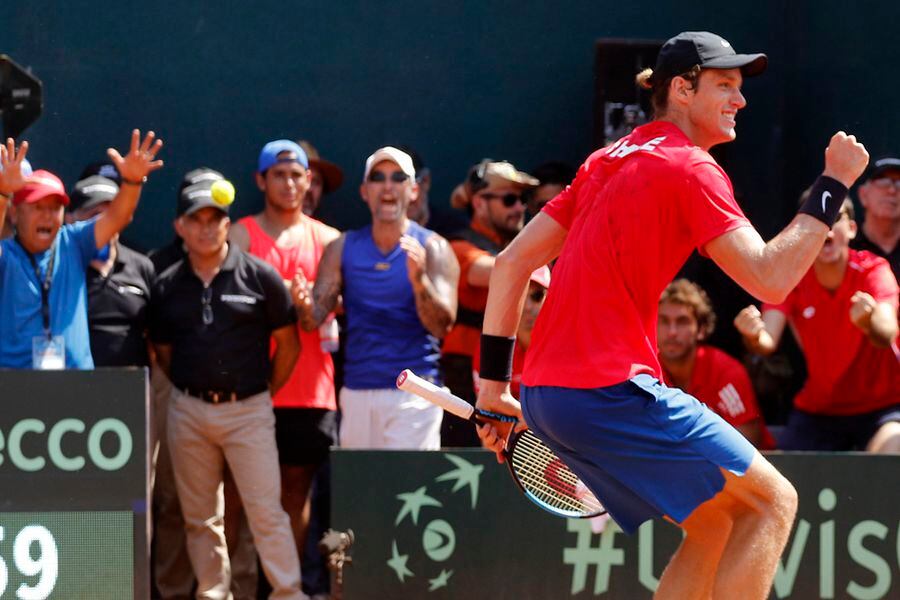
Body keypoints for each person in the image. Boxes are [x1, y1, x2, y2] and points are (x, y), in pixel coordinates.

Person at [474, 31, 869, 599]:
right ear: (682, 89)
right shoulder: (693, 168)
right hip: (608, 389)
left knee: (714, 525)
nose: (741, 100)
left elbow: (511, 263)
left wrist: (493, 388)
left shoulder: (605, 159)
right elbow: (770, 277)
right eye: (725, 85)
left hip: (546, 394)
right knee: (773, 503)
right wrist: (831, 185)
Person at [149, 178, 307, 600]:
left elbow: (289, 343)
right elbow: (162, 352)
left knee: (266, 513)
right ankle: (213, 594)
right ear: (179, 226)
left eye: (214, 219)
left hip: (249, 410)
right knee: (200, 517)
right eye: (195, 220)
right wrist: (193, 387)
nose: (205, 228)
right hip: (189, 411)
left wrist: (262, 392)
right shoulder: (165, 286)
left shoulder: (260, 277)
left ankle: (288, 594)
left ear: (227, 224)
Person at [293, 146, 459, 449]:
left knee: (407, 492)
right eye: (377, 178)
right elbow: (312, 319)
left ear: (413, 190)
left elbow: (442, 327)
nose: (387, 186)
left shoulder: (435, 248)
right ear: (364, 191)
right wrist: (304, 304)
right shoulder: (342, 247)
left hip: (417, 392)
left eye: (398, 178)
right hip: (358, 392)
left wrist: (418, 280)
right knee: (362, 494)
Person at [230, 139, 340, 596]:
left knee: (296, 498)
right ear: (261, 181)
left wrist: (308, 307)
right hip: (252, 392)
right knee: (239, 497)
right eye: (279, 175)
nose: (290, 183)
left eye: (298, 175)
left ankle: (285, 589)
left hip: (311, 393)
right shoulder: (238, 235)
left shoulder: (329, 240)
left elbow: (326, 309)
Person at [735, 198, 900, 453]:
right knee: (783, 480)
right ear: (804, 231)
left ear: (852, 229)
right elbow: (767, 340)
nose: (827, 227)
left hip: (883, 408)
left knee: (892, 449)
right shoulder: (792, 278)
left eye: (836, 218)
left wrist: (869, 323)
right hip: (820, 410)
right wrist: (753, 335)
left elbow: (887, 333)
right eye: (819, 219)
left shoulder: (874, 270)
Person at [0, 131, 163, 369]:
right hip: (13, 387)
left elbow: (119, 216)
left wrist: (132, 182)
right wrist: (3, 194)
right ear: (15, 213)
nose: (47, 215)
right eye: (38, 207)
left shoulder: (73, 242)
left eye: (55, 207)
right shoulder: (7, 253)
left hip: (77, 387)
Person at [442, 159, 538, 446]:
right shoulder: (460, 247)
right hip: (464, 388)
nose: (520, 208)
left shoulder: (516, 249)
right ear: (480, 204)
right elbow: (499, 270)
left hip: (508, 378)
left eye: (522, 199)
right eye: (509, 199)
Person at [658, 279, 776, 449]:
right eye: (664, 321)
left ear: (701, 330)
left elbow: (748, 443)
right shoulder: (645, 372)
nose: (672, 332)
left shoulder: (725, 372)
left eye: (682, 321)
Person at [67, 175, 155, 367]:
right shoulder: (60, 267)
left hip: (132, 386)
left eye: (110, 214)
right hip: (74, 386)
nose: (103, 222)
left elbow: (155, 339)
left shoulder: (143, 266)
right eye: (93, 214)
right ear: (69, 219)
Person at [472, 266, 551, 399]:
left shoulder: (566, 343)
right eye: (520, 296)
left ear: (551, 296)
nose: (527, 307)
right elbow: (489, 408)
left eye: (537, 296)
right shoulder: (493, 344)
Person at [851, 156, 900, 281]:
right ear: (863, 194)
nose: (892, 190)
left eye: (899, 184)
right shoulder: (845, 247)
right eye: (883, 182)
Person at [296, 141, 344, 219]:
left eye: (315, 182)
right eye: (302, 179)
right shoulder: (269, 230)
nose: (309, 188)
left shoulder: (327, 231)